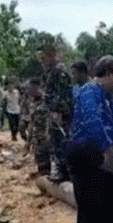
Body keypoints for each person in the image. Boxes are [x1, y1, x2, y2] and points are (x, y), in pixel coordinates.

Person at [66, 55, 113, 223]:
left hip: (99, 151)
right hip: (85, 150)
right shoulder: (89, 92)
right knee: (89, 202)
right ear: (109, 74)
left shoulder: (108, 96)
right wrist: (108, 148)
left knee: (104, 200)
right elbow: (94, 123)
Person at [39, 43, 73, 182]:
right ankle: (62, 170)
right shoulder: (53, 72)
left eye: (44, 58)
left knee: (60, 142)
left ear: (52, 56)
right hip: (55, 112)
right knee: (55, 141)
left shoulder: (59, 71)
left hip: (60, 114)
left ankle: (64, 172)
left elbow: (63, 94)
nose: (43, 61)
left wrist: (57, 111)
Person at [24, 78, 51, 174]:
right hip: (37, 142)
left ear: (38, 87)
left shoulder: (48, 101)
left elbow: (51, 119)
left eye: (31, 88)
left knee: (50, 170)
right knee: (42, 169)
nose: (30, 91)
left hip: (47, 141)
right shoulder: (31, 102)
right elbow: (32, 122)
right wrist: (28, 141)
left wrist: (48, 136)